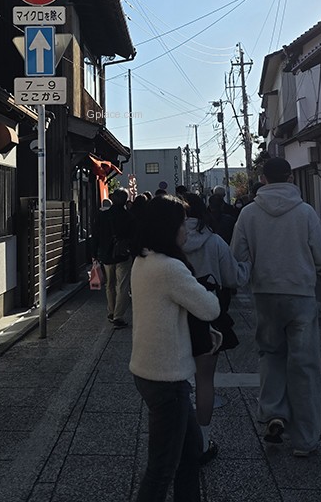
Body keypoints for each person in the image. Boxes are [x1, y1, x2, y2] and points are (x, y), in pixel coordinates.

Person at [230, 158, 321, 457]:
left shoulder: (249, 214)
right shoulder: (305, 212)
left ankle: (274, 412)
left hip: (264, 295)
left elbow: (238, 254)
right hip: (300, 295)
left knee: (271, 355)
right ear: (290, 177)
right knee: (305, 366)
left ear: (262, 179)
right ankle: (304, 439)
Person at [130, 196, 220, 502]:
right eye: (182, 223)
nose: (186, 229)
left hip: (149, 369)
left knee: (190, 453)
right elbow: (209, 307)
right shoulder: (170, 268)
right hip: (166, 377)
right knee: (162, 468)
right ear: (170, 227)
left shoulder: (143, 260)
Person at [181, 193, 245, 465]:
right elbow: (233, 277)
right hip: (208, 317)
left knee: (177, 383)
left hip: (177, 316)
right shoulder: (216, 242)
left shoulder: (172, 243)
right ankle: (203, 442)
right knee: (205, 381)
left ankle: (177, 441)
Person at [95, 188, 133, 328]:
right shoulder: (128, 216)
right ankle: (118, 316)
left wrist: (94, 253)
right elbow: (132, 237)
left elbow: (96, 235)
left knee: (109, 284)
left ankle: (111, 311)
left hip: (106, 254)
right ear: (125, 200)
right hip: (122, 255)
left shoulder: (103, 216)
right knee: (122, 285)